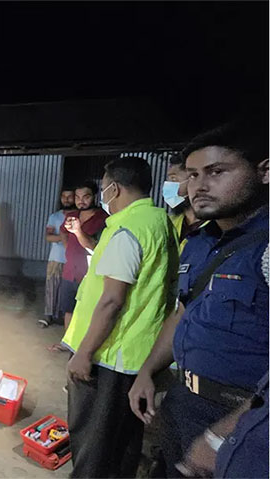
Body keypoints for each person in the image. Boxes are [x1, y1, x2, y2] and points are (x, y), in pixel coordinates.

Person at [126, 122, 268, 478]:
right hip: (184, 402)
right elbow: (183, 311)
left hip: (245, 422)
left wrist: (224, 435)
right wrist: (147, 370)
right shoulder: (199, 242)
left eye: (216, 172)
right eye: (192, 175)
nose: (198, 186)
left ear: (264, 172)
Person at [62, 156, 180, 478]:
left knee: (94, 445)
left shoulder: (127, 230)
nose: (103, 195)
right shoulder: (159, 221)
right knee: (122, 441)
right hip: (135, 356)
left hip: (109, 356)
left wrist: (84, 353)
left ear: (114, 188)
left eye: (103, 188)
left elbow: (112, 301)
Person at [51, 181, 108, 351]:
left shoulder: (103, 219)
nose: (81, 201)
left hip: (90, 274)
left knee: (89, 311)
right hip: (70, 271)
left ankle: (84, 347)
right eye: (77, 197)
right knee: (68, 309)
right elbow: (63, 231)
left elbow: (95, 246)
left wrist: (78, 232)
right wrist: (67, 246)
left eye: (86, 196)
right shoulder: (72, 215)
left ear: (95, 197)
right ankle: (67, 343)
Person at [40, 188, 76, 328]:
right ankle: (48, 315)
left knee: (67, 289)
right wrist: (65, 237)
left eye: (69, 196)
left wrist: (60, 237)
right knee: (51, 287)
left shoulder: (78, 216)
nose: (66, 199)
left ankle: (63, 316)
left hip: (72, 260)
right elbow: (48, 237)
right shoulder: (54, 217)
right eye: (64, 196)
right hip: (55, 258)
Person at [163, 155, 206, 252]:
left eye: (174, 179)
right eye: (168, 179)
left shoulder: (217, 226)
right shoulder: (170, 222)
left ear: (193, 179)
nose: (168, 185)